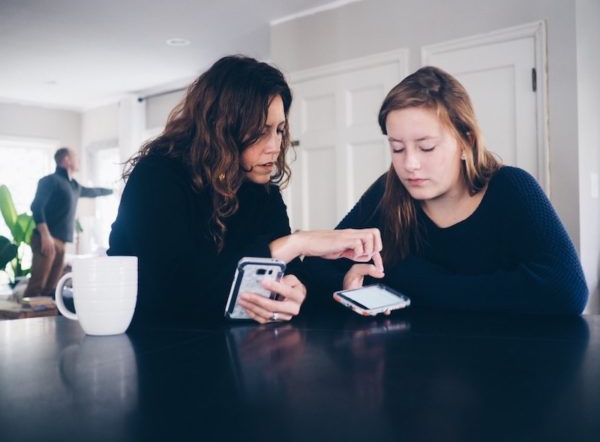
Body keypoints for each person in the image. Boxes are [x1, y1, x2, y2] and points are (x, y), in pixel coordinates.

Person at [107, 55, 382, 326]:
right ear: (222, 129)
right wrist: (297, 243)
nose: (275, 145)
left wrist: (306, 288)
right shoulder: (158, 176)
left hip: (228, 351)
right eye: (261, 132)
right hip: (150, 348)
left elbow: (286, 271)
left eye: (279, 130)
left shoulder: (262, 191)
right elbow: (175, 291)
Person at [305, 66, 588, 315]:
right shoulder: (387, 190)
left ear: (466, 142)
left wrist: (412, 282)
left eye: (426, 147)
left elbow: (566, 292)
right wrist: (347, 284)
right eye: (397, 148)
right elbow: (313, 268)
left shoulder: (512, 188)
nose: (409, 164)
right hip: (412, 366)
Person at [24, 148, 113, 298]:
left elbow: (93, 192)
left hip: (61, 242)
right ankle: (25, 321)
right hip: (46, 240)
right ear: (67, 160)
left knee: (51, 290)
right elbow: (36, 207)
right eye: (75, 156)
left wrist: (114, 191)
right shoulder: (50, 181)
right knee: (36, 287)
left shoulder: (74, 186)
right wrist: (45, 236)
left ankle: (45, 321)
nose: (78, 160)